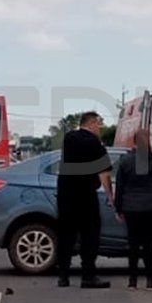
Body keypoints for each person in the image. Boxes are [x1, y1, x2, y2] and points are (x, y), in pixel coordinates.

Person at [56, 111, 114, 289]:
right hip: (85, 195)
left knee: (66, 234)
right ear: (91, 124)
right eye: (98, 124)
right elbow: (104, 174)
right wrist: (110, 197)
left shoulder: (68, 138)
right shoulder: (95, 143)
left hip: (66, 194)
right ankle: (88, 276)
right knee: (90, 235)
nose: (100, 128)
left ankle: (63, 276)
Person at [115, 129, 152, 289]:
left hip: (130, 207)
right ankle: (151, 280)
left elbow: (120, 187)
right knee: (148, 245)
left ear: (134, 142)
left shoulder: (126, 161)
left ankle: (132, 280)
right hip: (149, 206)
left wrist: (118, 209)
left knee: (133, 245)